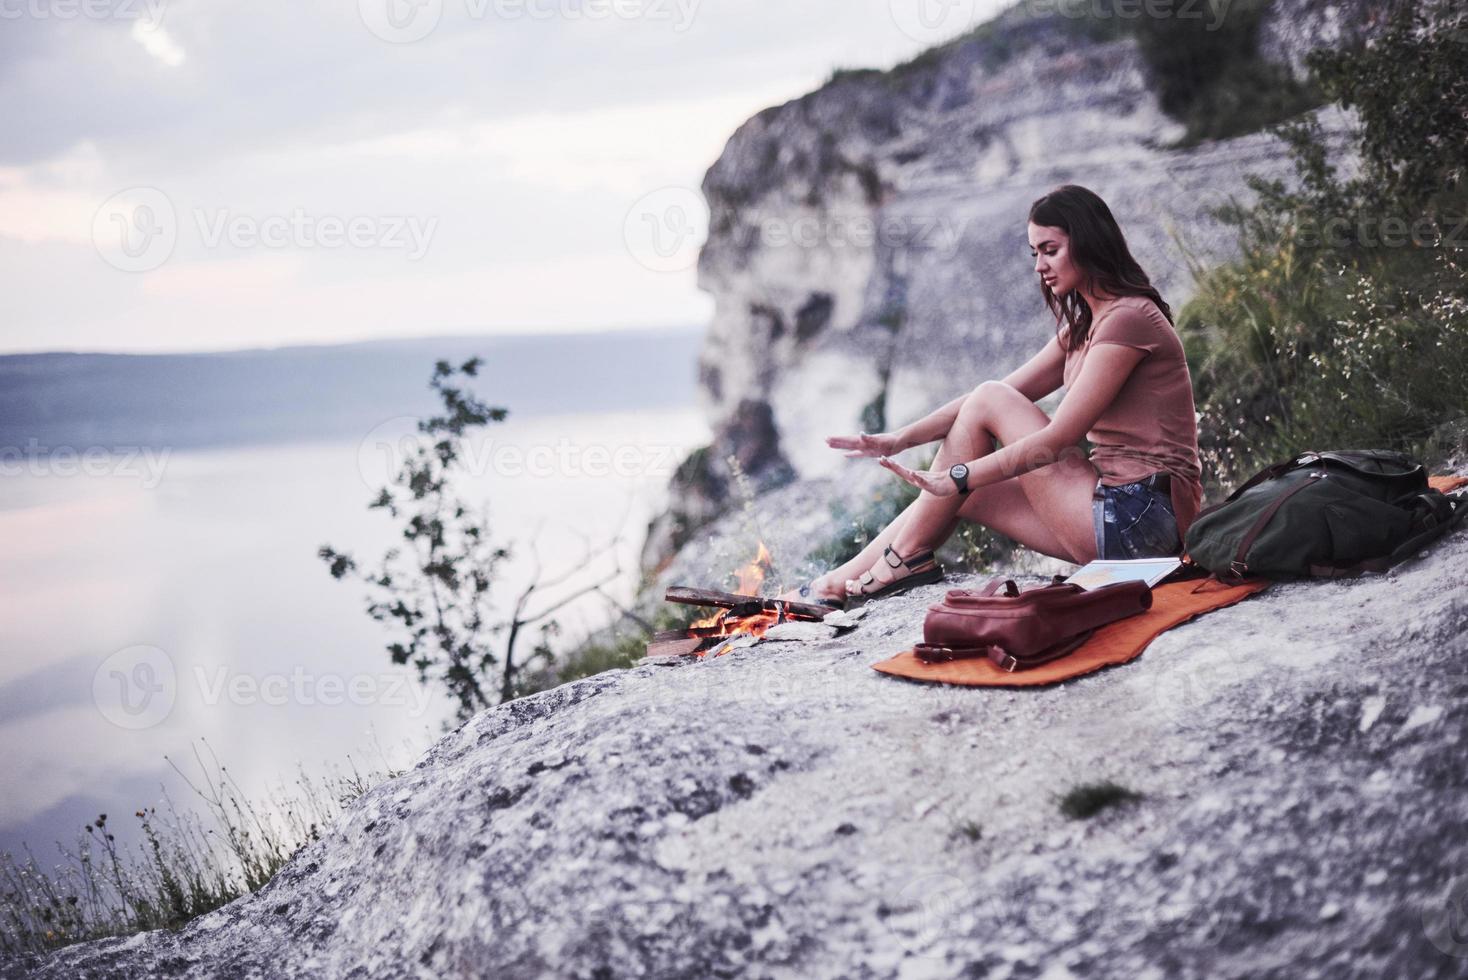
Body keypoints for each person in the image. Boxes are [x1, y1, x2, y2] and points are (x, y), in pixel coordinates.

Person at [778, 184, 1205, 610]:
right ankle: (836, 584)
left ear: (1089, 243)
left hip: (1141, 520)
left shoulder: (1128, 318)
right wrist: (900, 439)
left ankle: (896, 562)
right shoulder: (1084, 328)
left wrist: (960, 474)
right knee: (949, 499)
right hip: (1108, 517)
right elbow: (998, 394)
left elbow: (1056, 438)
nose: (1039, 265)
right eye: (1034, 253)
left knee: (983, 417)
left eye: (1050, 250)